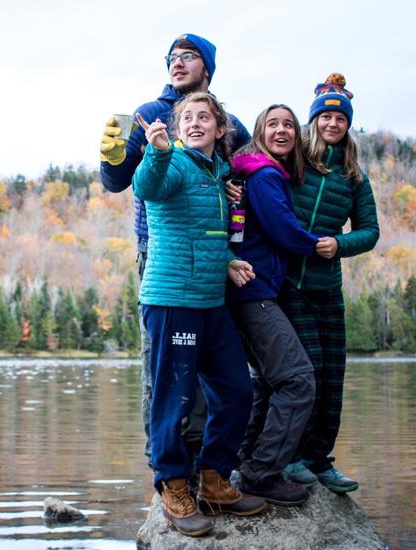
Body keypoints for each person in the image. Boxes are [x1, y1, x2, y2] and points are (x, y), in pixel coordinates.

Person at [99, 33, 250, 467]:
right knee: (164, 368)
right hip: (159, 253)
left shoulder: (229, 121)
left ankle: (205, 459)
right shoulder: (147, 115)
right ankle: (163, 463)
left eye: (189, 56)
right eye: (172, 57)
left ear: (207, 67)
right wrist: (111, 157)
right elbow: (118, 182)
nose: (178, 62)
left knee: (210, 368)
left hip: (215, 253)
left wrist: (238, 187)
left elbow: (245, 174)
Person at [133, 92, 266, 537]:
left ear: (219, 128)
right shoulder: (170, 163)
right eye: (186, 117)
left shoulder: (218, 175)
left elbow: (209, 232)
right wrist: (155, 150)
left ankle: (213, 479)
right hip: (173, 301)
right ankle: (173, 486)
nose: (194, 122)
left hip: (211, 302)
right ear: (177, 128)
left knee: (236, 390)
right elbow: (147, 188)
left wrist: (227, 259)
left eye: (203, 117)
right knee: (175, 397)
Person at [280, 73, 380, 493]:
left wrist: (338, 244)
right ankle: (292, 457)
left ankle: (321, 461)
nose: (332, 124)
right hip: (289, 283)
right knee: (308, 372)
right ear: (315, 121)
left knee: (333, 378)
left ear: (347, 125)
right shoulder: (296, 159)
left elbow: (370, 231)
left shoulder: (355, 176)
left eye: (340, 119)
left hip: (327, 286)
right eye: (326, 117)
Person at [225, 105, 321, 506]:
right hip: (252, 291)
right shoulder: (263, 174)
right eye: (273, 124)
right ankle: (261, 473)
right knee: (297, 380)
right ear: (260, 131)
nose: (281, 130)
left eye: (289, 125)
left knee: (269, 379)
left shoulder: (252, 172)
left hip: (247, 290)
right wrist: (321, 246)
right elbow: (283, 229)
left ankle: (248, 461)